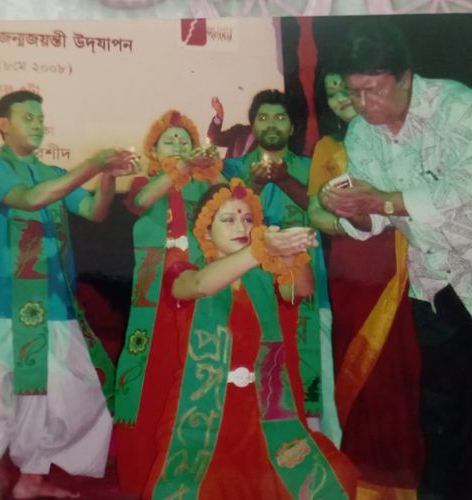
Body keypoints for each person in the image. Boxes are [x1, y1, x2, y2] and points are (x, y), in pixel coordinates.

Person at [320, 20, 472, 500]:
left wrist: (380, 200)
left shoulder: (457, 104)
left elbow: (465, 187)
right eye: (354, 92)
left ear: (405, 77)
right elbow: (376, 219)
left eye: (373, 90)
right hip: (436, 279)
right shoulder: (361, 134)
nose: (362, 104)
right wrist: (352, 210)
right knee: (442, 405)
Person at [0, 90, 137, 499]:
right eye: (28, 117)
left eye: (41, 118)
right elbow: (30, 199)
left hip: (52, 302)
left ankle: (31, 478)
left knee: (57, 394)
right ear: (3, 124)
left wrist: (108, 176)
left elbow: (94, 211)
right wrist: (92, 164)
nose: (38, 124)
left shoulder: (53, 172)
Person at [143, 179, 357, 499]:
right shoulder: (183, 270)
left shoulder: (264, 274)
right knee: (205, 489)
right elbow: (200, 285)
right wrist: (261, 249)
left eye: (247, 219)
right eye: (228, 220)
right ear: (206, 232)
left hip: (267, 413)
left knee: (333, 477)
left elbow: (301, 289)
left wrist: (290, 255)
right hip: (203, 416)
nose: (241, 227)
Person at [308, 68, 423, 497]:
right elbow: (314, 212)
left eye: (348, 88)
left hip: (401, 260)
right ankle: (365, 470)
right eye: (332, 91)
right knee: (356, 361)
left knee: (402, 362)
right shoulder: (327, 147)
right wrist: (351, 220)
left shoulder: (397, 138)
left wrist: (381, 212)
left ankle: (405, 469)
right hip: (352, 267)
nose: (342, 97)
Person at [114, 109, 223, 495]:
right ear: (154, 150)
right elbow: (144, 200)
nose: (178, 145)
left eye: (184, 140)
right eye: (169, 140)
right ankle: (143, 472)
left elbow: (232, 202)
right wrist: (181, 170)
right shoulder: (146, 182)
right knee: (153, 372)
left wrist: (211, 171)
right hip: (155, 294)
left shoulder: (205, 185)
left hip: (201, 288)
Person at [223, 89, 340, 444]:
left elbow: (328, 217)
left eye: (279, 118)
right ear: (252, 125)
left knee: (314, 374)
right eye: (263, 118)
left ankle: (320, 450)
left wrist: (285, 179)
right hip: (249, 294)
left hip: (308, 292)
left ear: (292, 127)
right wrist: (255, 184)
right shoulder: (232, 169)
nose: (270, 124)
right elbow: (221, 222)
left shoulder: (311, 168)